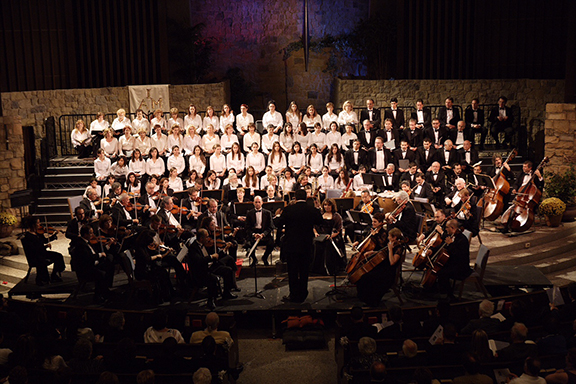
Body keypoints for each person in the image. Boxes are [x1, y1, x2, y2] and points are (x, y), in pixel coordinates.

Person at [274, 189, 323, 302]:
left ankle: (294, 294)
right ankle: (303, 293)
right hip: (306, 245)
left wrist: (277, 216)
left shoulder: (289, 209)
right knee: (304, 270)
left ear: (295, 198)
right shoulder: (311, 210)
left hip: (292, 245)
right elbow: (320, 221)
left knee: (293, 271)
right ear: (306, 198)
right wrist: (318, 208)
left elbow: (278, 223)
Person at [186, 228, 236, 310]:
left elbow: (215, 255)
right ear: (201, 238)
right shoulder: (193, 248)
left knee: (228, 270)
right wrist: (211, 257)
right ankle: (210, 300)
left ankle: (226, 292)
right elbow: (199, 261)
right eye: (207, 237)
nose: (209, 238)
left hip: (209, 267)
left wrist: (224, 250)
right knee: (212, 279)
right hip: (200, 272)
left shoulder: (206, 245)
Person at [355, 228, 406, 307]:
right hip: (383, 268)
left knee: (367, 277)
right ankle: (363, 298)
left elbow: (392, 262)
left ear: (394, 238)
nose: (388, 237)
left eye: (389, 236)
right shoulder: (391, 243)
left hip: (388, 273)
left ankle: (371, 301)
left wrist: (390, 249)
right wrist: (372, 252)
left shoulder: (399, 248)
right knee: (364, 274)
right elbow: (383, 252)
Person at [70, 225, 114, 303]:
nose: (93, 235)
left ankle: (105, 291)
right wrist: (100, 255)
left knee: (109, 265)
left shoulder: (86, 242)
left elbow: (95, 253)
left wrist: (107, 246)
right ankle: (97, 297)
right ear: (85, 234)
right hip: (86, 270)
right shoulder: (81, 245)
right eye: (90, 233)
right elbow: (89, 257)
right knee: (101, 274)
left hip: (91, 264)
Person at [20, 216, 66, 286]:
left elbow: (45, 241)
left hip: (42, 253)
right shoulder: (28, 236)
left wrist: (54, 235)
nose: (40, 224)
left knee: (58, 256)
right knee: (42, 261)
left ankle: (54, 275)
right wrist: (45, 247)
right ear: (33, 224)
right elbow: (33, 250)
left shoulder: (38, 233)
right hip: (35, 256)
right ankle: (42, 279)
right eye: (38, 223)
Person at [435, 219, 472, 297]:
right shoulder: (451, 236)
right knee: (439, 268)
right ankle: (439, 289)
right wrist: (431, 250)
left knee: (442, 272)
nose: (445, 229)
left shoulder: (462, 240)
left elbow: (459, 256)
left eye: (447, 227)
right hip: (454, 263)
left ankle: (448, 295)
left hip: (461, 268)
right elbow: (442, 245)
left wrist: (451, 245)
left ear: (452, 228)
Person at [312, 198, 345, 275]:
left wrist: (331, 236)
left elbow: (338, 229)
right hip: (320, 236)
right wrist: (316, 233)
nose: (327, 207)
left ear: (332, 206)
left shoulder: (336, 216)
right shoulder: (320, 214)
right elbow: (314, 226)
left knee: (328, 245)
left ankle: (329, 268)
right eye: (325, 205)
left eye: (329, 205)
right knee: (315, 244)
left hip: (331, 237)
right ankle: (317, 268)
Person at [244, 196, 275, 266]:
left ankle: (265, 257)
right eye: (256, 202)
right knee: (247, 244)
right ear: (253, 203)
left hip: (264, 233)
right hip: (254, 234)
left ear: (262, 203)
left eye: (259, 202)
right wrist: (254, 234)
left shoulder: (268, 213)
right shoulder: (249, 213)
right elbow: (247, 227)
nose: (257, 204)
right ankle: (254, 259)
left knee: (271, 244)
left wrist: (263, 234)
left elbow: (271, 227)